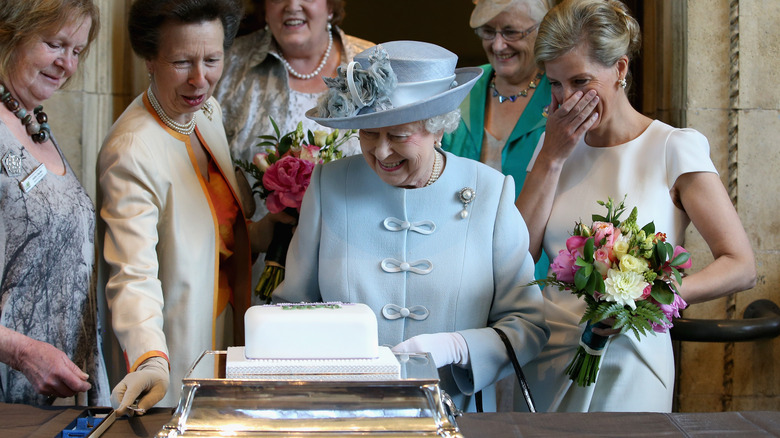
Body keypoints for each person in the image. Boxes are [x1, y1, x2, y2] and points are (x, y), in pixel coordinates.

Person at [272, 40, 550, 413]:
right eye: (369, 132)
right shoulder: (329, 186)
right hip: (347, 414)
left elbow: (528, 324)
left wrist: (459, 347)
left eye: (399, 136)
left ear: (439, 129)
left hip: (454, 414)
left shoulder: (490, 192)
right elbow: (293, 308)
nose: (381, 152)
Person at [515, 0, 757, 412]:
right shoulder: (550, 144)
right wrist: (552, 158)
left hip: (633, 358)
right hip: (550, 355)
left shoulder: (672, 147)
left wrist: (653, 297)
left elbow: (741, 264)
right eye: (555, 85)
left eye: (580, 81)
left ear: (621, 70)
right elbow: (518, 255)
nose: (567, 99)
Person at [98, 0, 252, 414]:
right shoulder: (132, 150)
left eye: (212, 59)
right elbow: (132, 272)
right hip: (179, 341)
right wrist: (150, 356)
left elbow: (220, 222)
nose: (200, 80)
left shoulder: (205, 112)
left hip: (226, 325)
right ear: (149, 58)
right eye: (182, 62)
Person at [0, 0, 108, 406]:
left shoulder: (34, 124)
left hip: (55, 396)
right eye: (55, 44)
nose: (67, 64)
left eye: (77, 51)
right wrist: (23, 353)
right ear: (11, 33)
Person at [442, 0, 553, 281]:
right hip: (458, 264)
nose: (498, 45)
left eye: (512, 32)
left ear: (541, 29)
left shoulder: (558, 96)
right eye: (488, 32)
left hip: (538, 271)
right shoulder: (459, 92)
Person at [215, 0, 373, 166]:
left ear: (330, 7)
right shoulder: (226, 64)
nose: (292, 6)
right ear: (265, 9)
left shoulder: (372, 64)